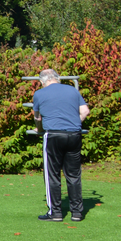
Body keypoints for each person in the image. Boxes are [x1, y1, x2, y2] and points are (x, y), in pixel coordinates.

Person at [33, 68, 89, 222]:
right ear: (57, 78)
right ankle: (77, 213)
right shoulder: (72, 90)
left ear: (43, 81)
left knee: (52, 174)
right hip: (74, 134)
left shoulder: (39, 94)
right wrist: (73, 122)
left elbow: (37, 118)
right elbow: (85, 111)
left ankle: (55, 212)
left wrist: (38, 129)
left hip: (53, 135)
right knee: (73, 175)